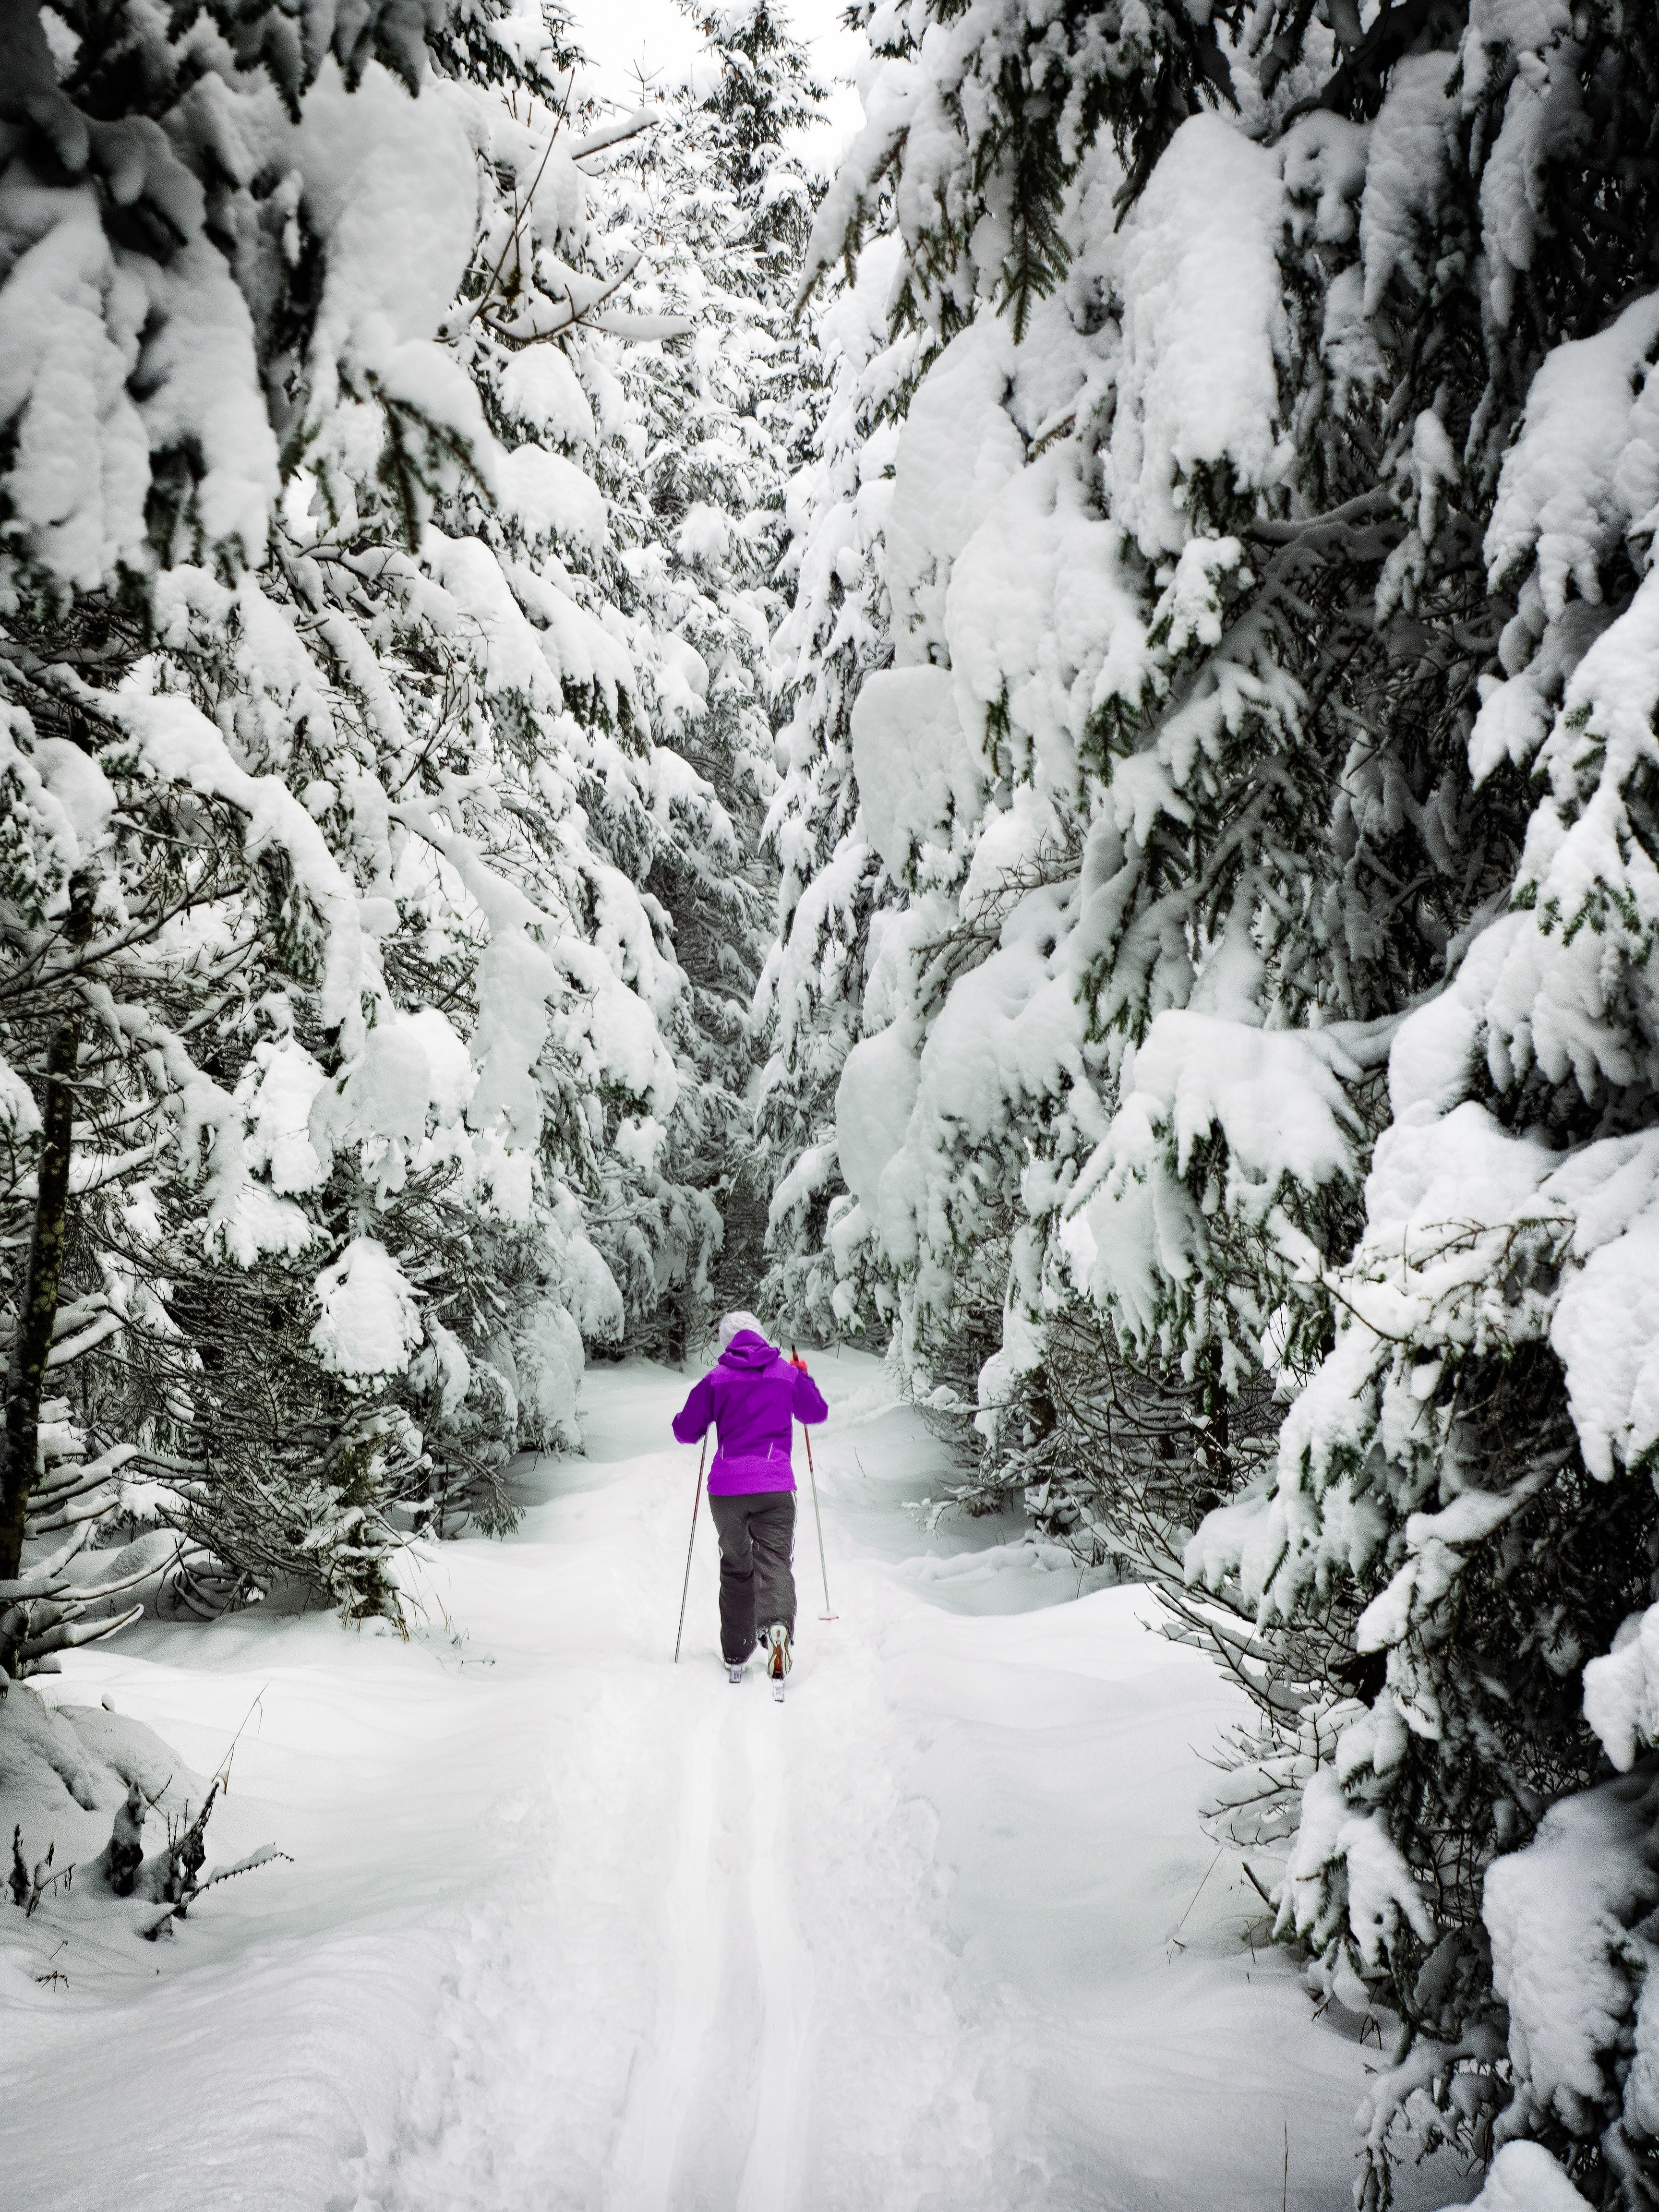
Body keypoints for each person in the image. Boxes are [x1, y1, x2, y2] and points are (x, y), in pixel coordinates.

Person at [672, 1311, 828, 1684]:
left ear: (728, 1343)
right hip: (775, 1487)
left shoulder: (716, 1379)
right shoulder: (785, 1373)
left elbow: (685, 1431)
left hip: (726, 1492)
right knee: (774, 1562)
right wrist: (802, 1375)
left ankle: (736, 1652)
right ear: (760, 1336)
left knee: (737, 1567)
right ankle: (777, 1630)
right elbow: (816, 1412)